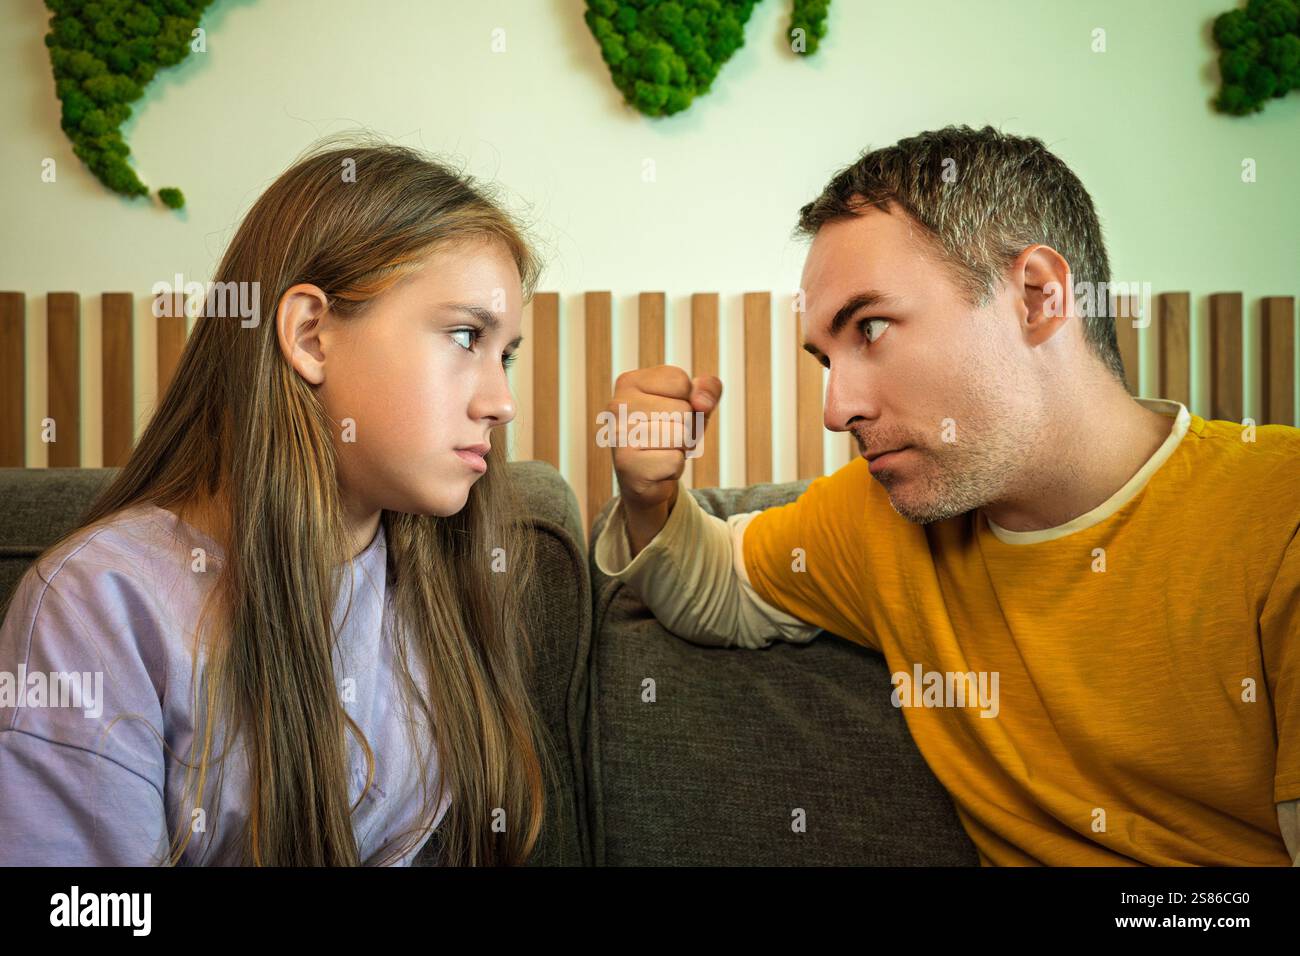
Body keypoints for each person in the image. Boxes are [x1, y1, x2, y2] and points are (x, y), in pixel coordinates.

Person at [595, 124, 1300, 866]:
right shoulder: (883, 517)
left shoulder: (1277, 515)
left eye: (871, 327)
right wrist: (648, 497)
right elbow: (713, 589)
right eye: (825, 357)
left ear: (1037, 297)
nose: (836, 410)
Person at [0, 137, 553, 866]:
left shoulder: (439, 581)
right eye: (464, 336)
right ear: (309, 336)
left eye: (504, 353)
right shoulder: (97, 608)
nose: (502, 401)